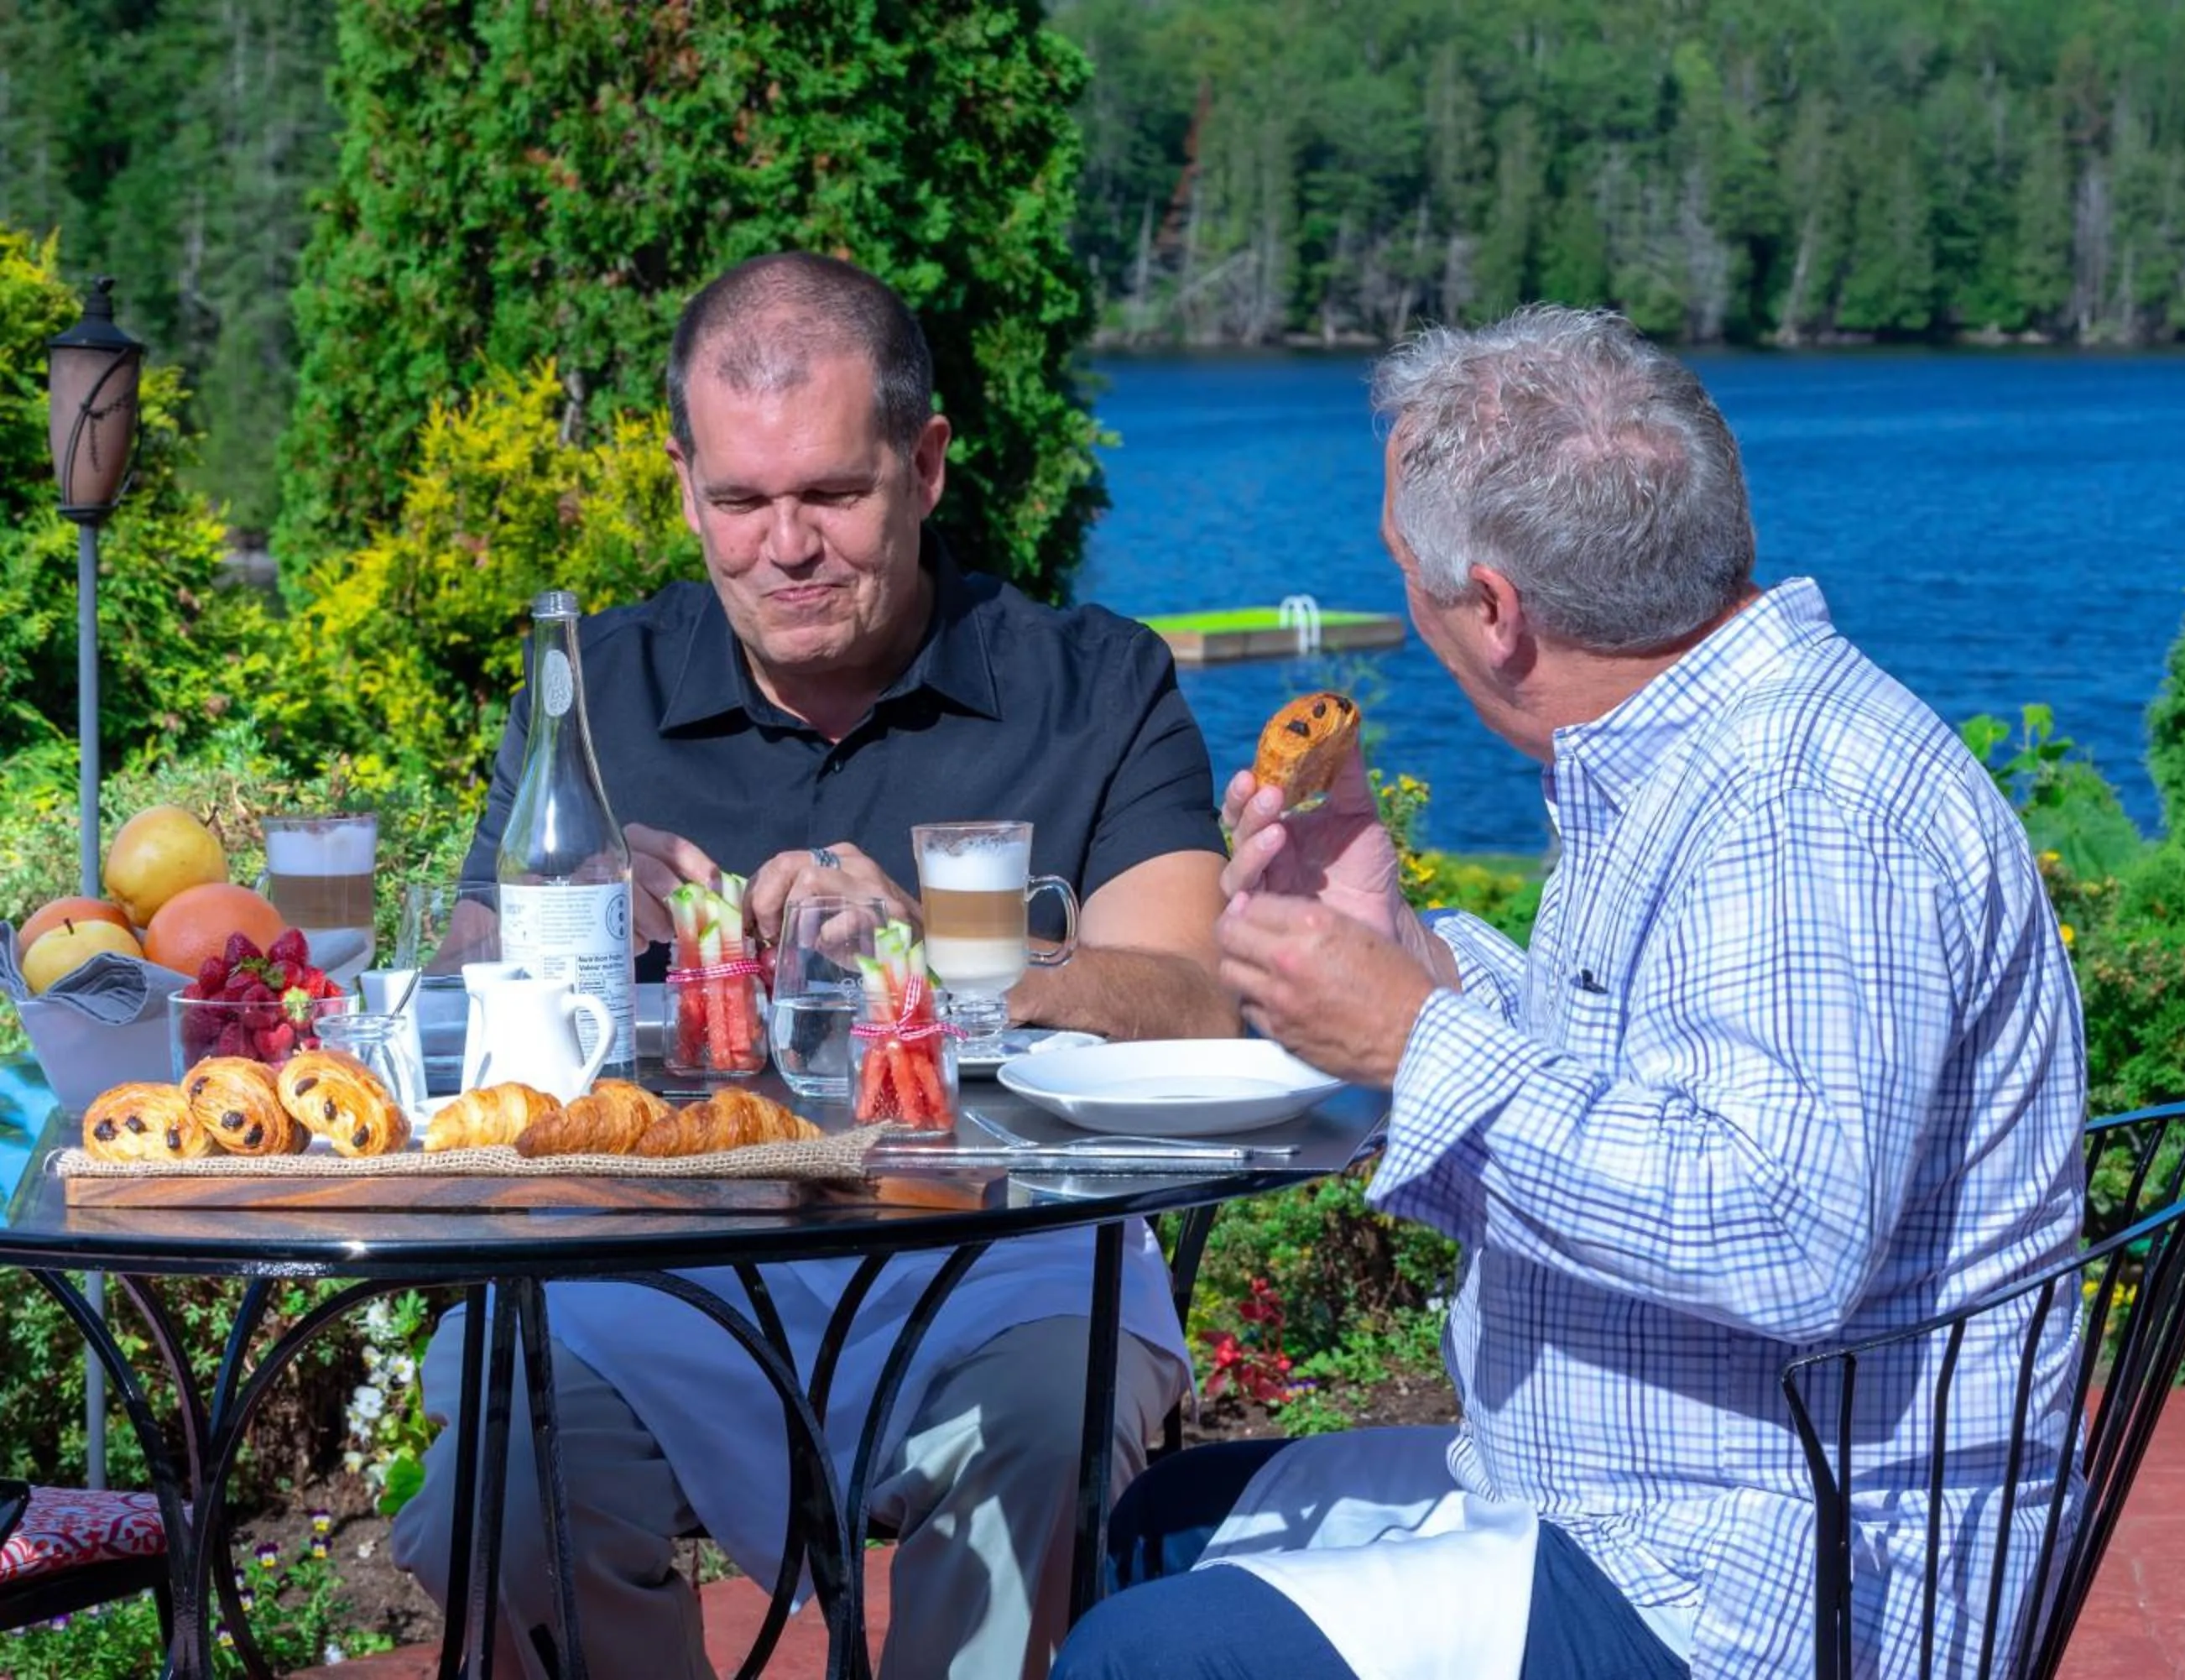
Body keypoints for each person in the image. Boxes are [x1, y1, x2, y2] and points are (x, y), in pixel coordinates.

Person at [1052, 307, 2087, 1680]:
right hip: (1659, 1496)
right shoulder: (1698, 746)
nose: (1412, 616)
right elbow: (1648, 1072)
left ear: (1494, 609)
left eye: (1408, 580)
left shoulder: (1800, 803)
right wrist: (1395, 936)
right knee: (1150, 1530)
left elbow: (1784, 1226)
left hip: (1768, 1580)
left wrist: (1414, 1043)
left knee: (1154, 1655)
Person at [390, 251, 1244, 1680]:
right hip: (648, 1260)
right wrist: (565, 910)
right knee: (495, 1463)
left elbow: (1194, 994)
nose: (785, 546)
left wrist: (943, 954)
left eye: (833, 496)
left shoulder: (1093, 679)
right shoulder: (596, 688)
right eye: (738, 501)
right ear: (682, 487)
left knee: (1047, 1435)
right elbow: (463, 986)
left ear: (923, 465)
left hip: (1002, 1251)